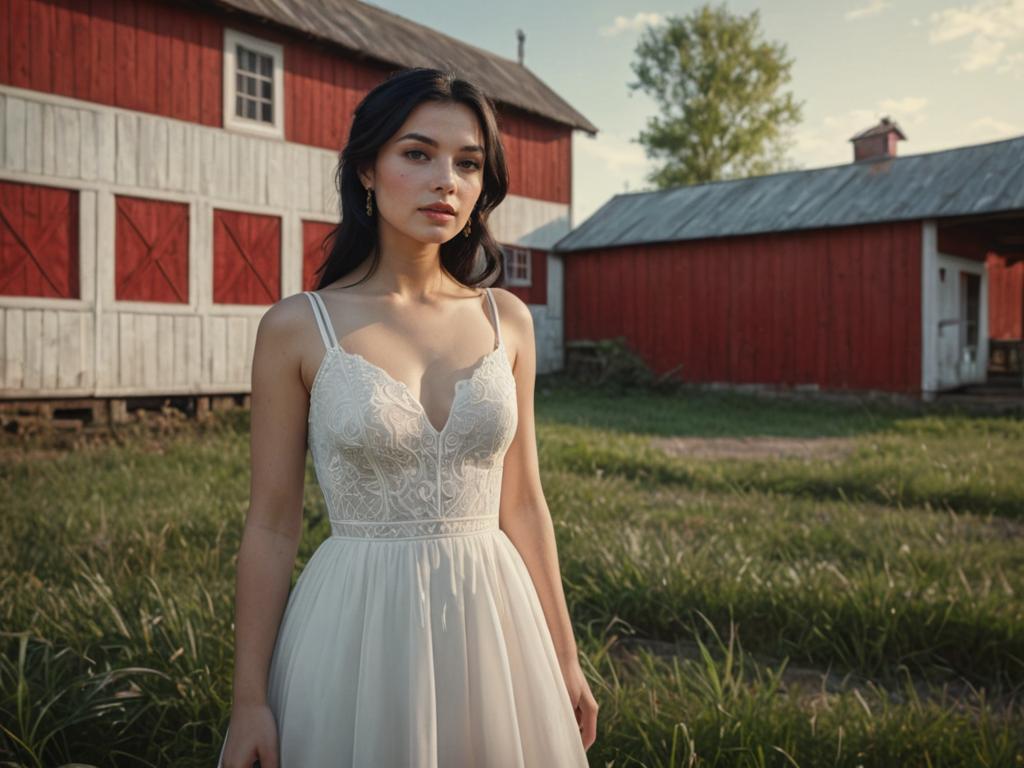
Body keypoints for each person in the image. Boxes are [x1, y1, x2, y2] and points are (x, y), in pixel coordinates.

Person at [216, 67, 598, 767]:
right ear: (367, 168)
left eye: (468, 162)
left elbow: (524, 501)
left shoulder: (506, 320)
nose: (446, 179)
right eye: (417, 154)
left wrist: (565, 657)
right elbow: (271, 523)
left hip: (493, 621)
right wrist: (249, 701)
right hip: (355, 627)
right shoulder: (300, 327)